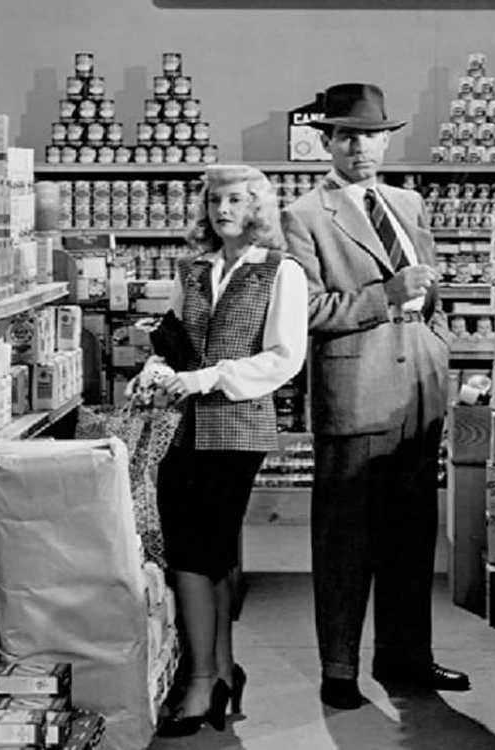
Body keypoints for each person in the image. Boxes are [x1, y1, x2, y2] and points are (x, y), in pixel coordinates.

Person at [282, 82, 470, 710]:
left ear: (389, 139)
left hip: (420, 382)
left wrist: (437, 338)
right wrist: (387, 297)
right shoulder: (305, 215)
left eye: (371, 135)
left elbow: (430, 284)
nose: (360, 147)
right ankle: (339, 668)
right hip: (357, 388)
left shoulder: (407, 201)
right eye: (347, 136)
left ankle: (406, 656)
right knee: (345, 538)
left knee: (412, 532)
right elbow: (306, 310)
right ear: (327, 142)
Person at [152, 164, 309, 736]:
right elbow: (172, 339)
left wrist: (208, 378)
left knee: (194, 554)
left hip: (237, 428)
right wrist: (158, 366)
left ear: (258, 209)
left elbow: (284, 357)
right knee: (208, 554)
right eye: (215, 200)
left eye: (236, 200)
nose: (223, 211)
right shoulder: (193, 270)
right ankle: (220, 671)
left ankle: (198, 682)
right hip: (181, 428)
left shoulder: (280, 272)